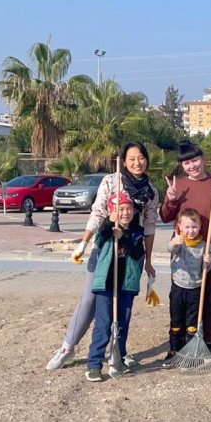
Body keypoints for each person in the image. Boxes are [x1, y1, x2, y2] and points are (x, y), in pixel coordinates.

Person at [46, 142, 158, 370]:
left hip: (131, 253)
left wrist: (148, 260)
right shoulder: (111, 181)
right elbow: (98, 212)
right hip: (106, 248)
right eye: (132, 159)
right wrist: (84, 243)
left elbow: (149, 226)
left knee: (123, 302)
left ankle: (116, 351)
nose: (137, 163)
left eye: (141, 158)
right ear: (124, 161)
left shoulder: (151, 192)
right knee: (90, 299)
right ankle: (68, 347)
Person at [159, 140, 211, 355]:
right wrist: (170, 199)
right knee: (182, 298)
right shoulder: (177, 185)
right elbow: (165, 216)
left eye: (195, 160)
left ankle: (208, 339)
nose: (192, 166)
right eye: (186, 163)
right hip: (184, 251)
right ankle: (180, 342)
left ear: (203, 158)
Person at [84, 192, 145, 382]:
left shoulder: (137, 231)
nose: (125, 213)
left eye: (128, 209)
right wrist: (110, 225)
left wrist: (124, 236)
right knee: (103, 324)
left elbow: (136, 253)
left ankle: (118, 355)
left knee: (122, 324)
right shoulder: (107, 230)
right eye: (120, 209)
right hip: (106, 285)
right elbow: (100, 237)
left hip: (126, 285)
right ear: (112, 211)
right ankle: (94, 364)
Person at [163, 208, 211, 367]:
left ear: (200, 227)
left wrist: (208, 262)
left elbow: (207, 269)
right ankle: (173, 350)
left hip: (195, 289)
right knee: (176, 321)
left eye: (194, 227)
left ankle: (189, 352)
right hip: (178, 288)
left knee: (192, 323)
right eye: (187, 227)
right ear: (180, 227)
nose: (190, 231)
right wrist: (173, 242)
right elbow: (170, 249)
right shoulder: (179, 242)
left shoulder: (204, 245)